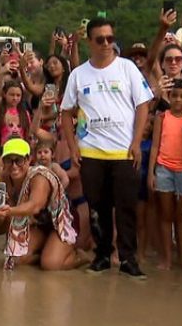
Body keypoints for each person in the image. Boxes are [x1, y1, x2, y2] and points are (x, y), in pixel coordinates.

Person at [61, 17, 153, 278]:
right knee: (97, 208)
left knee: (126, 208)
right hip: (91, 151)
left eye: (110, 39)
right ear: (90, 42)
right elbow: (66, 113)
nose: (105, 44)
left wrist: (136, 142)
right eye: (100, 39)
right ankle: (101, 255)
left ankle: (127, 259)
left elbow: (143, 105)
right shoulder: (79, 74)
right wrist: (73, 147)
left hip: (123, 152)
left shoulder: (127, 68)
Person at [0, 138, 81, 271]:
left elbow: (35, 205)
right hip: (37, 223)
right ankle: (46, 249)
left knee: (50, 265)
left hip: (61, 222)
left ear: (28, 159)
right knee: (17, 258)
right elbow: (12, 211)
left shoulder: (39, 176)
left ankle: (79, 257)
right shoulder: (5, 176)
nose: (14, 165)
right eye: (9, 160)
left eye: (19, 160)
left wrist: (9, 211)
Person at [147, 79, 182, 271]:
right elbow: (155, 146)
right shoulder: (161, 118)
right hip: (164, 169)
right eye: (174, 95)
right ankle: (166, 258)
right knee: (165, 216)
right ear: (169, 96)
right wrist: (151, 172)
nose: (177, 100)